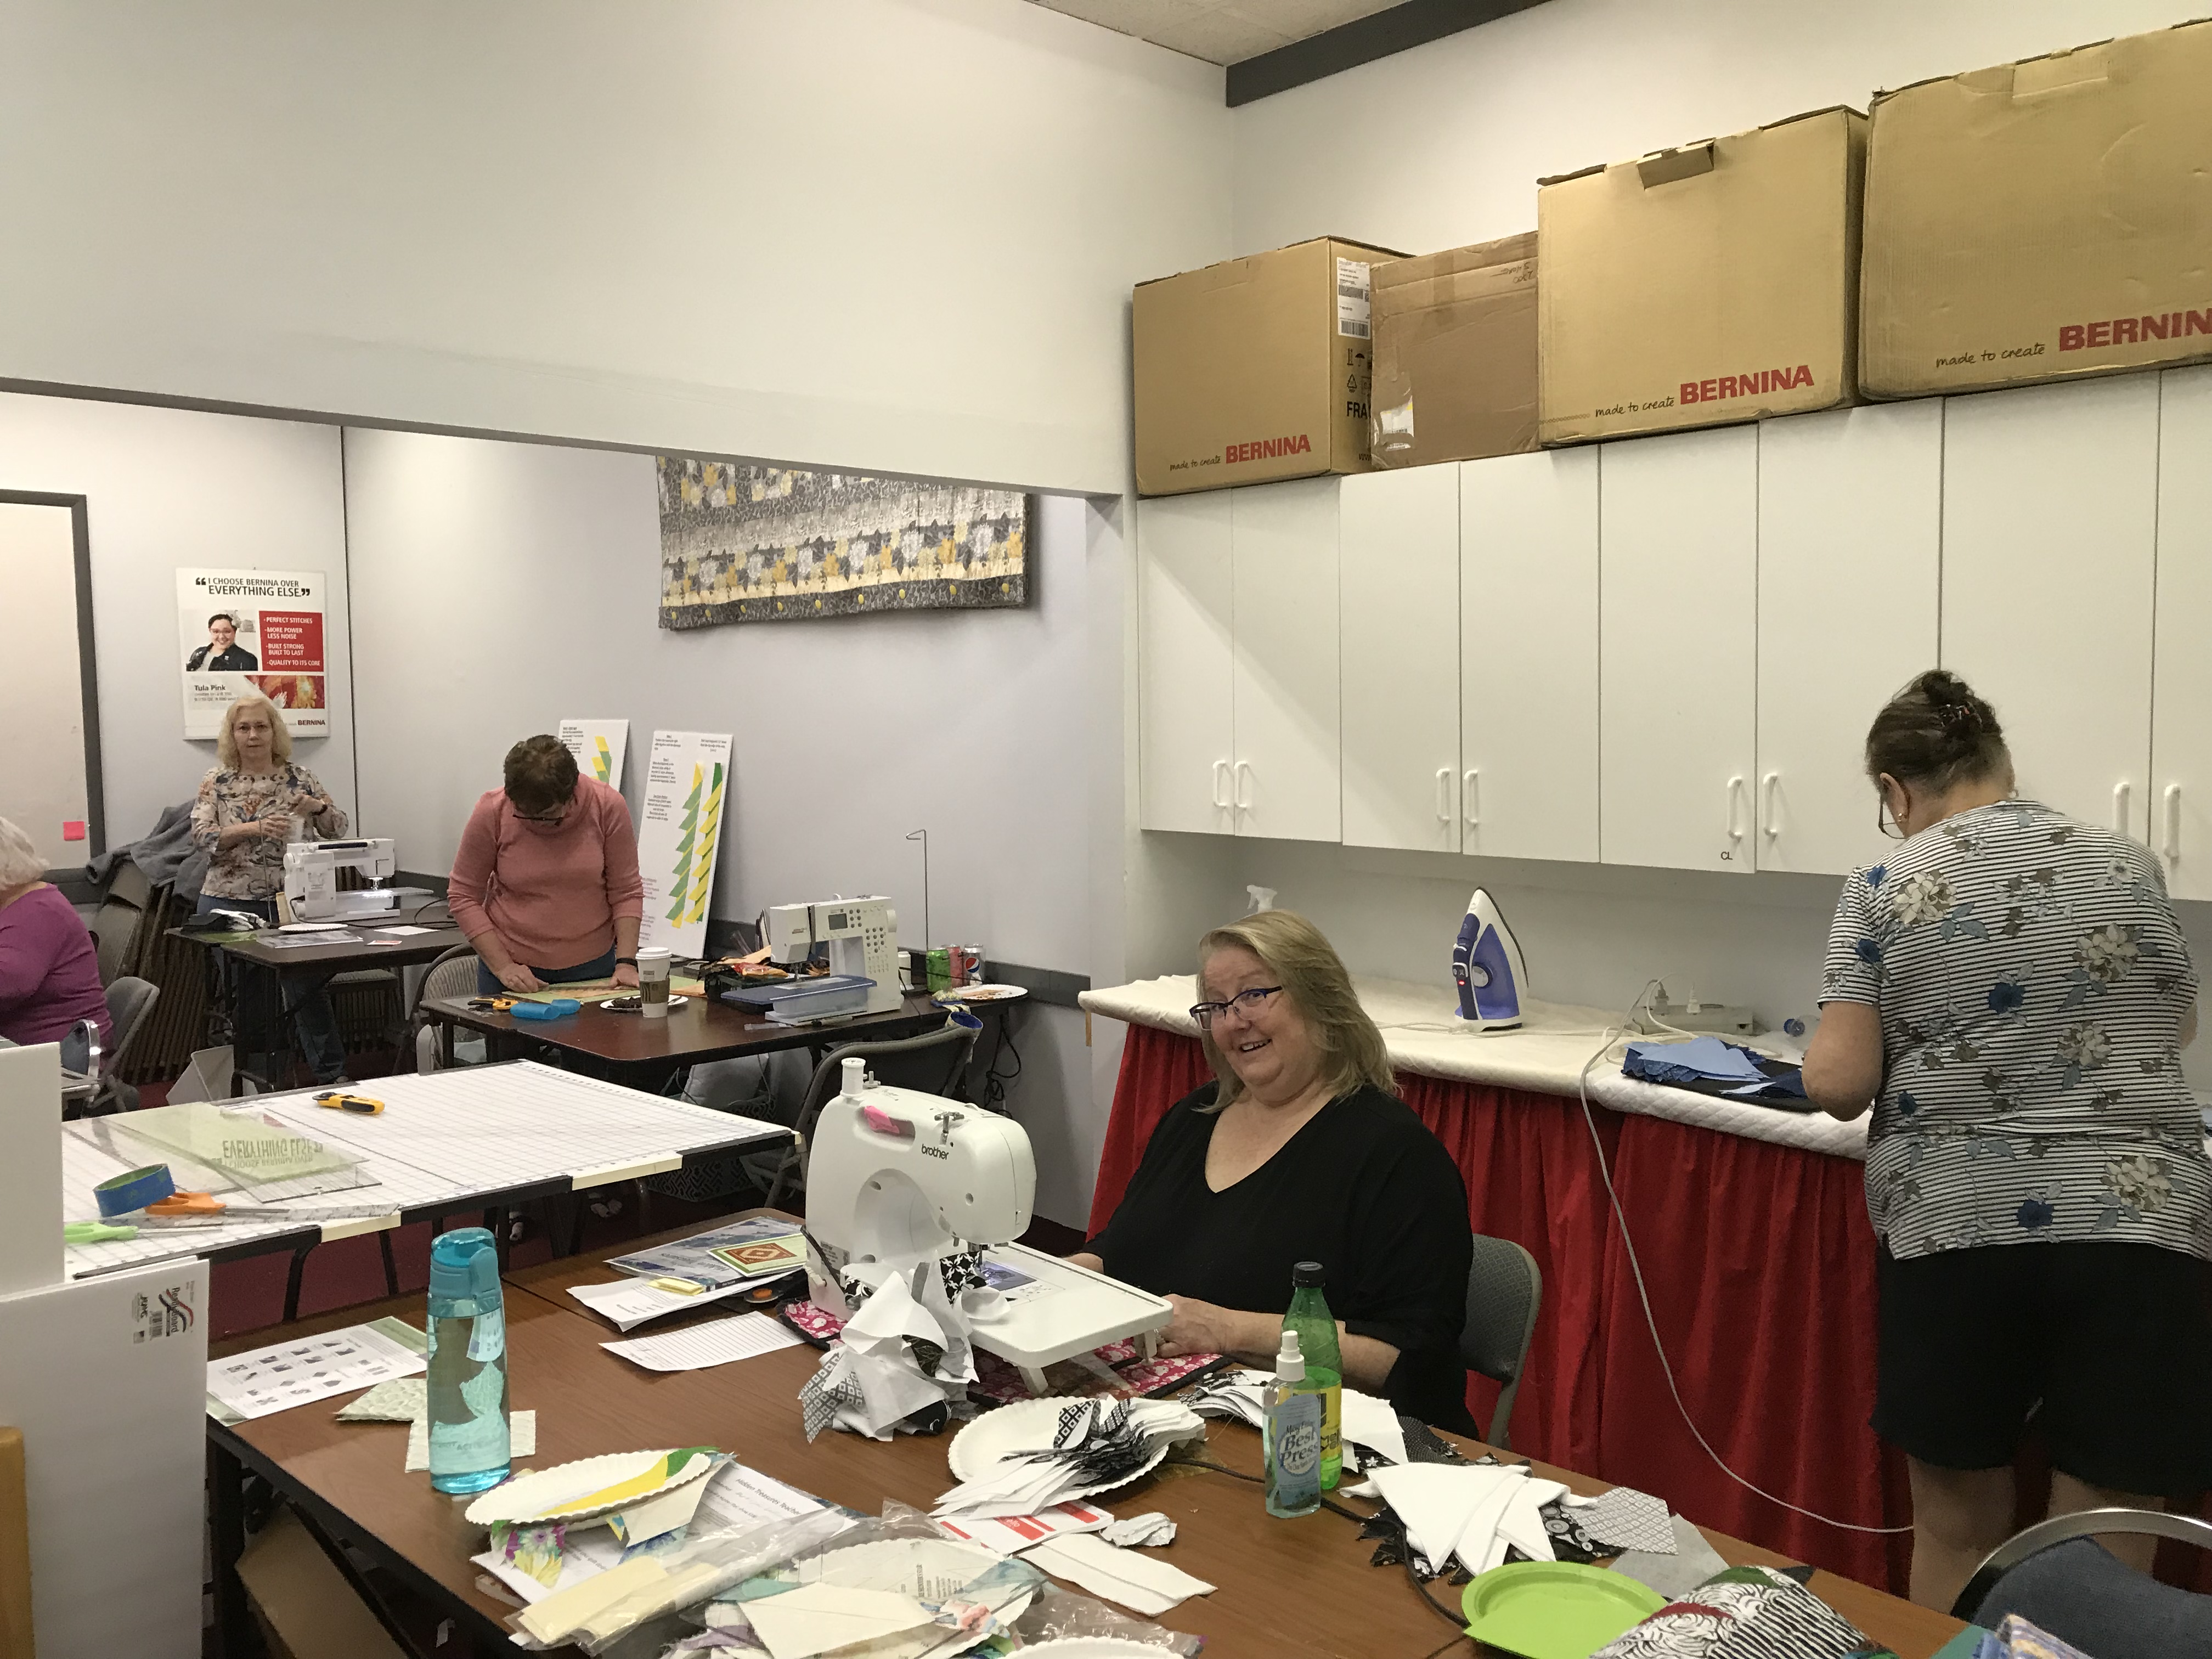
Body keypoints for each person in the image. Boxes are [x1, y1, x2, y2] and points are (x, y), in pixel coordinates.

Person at [1803, 669, 2212, 1611]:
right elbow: (2177, 1023)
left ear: (1895, 792)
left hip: (1957, 1221)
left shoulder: (1882, 884)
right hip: (2138, 1222)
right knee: (2107, 1530)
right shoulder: (2128, 861)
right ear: (2000, 761)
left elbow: (1837, 1082)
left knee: (1959, 1524)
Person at [1071, 910, 1476, 1431]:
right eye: (1217, 1005)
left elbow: (1409, 1356)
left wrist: (1226, 1330)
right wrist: (1050, 1283)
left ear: (1320, 1001)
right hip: (1184, 1413)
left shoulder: (1397, 1155)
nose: (1233, 1021)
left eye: (1254, 995)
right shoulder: (1193, 1118)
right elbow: (1123, 1250)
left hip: (1334, 1436)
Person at [189, 693, 351, 1084]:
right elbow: (201, 837)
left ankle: (331, 1074)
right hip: (230, 903)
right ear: (232, 734)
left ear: (274, 731)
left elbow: (339, 829)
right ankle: (259, 1079)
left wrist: (316, 808)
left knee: (307, 990)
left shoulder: (301, 778)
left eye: (261, 726)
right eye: (243, 728)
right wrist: (254, 828)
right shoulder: (217, 782)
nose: (253, 735)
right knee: (249, 999)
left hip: (292, 903)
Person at [449, 736, 644, 997]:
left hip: (594, 969)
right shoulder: (493, 811)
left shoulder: (606, 806)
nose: (535, 823)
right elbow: (463, 895)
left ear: (571, 795)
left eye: (548, 816)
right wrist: (503, 966)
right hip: (513, 970)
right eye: (524, 813)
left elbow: (627, 891)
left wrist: (626, 963)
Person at [0, 816, 110, 1075]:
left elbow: (8, 986)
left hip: (58, 1059)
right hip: (32, 1049)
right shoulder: (19, 904)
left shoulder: (37, 910)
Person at [185, 613, 258, 673]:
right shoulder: (198, 653)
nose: (221, 637)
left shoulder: (247, 660)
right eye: (216, 632)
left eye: (227, 632)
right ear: (210, 631)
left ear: (234, 632)